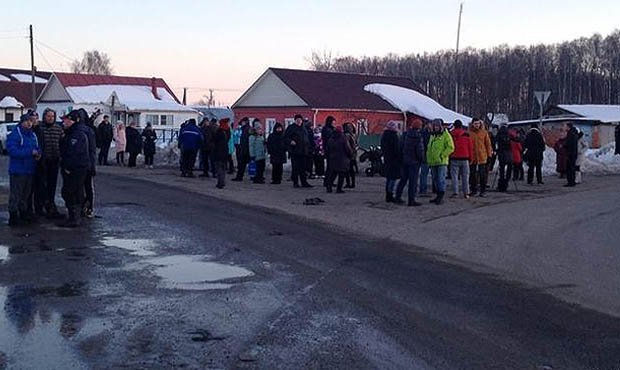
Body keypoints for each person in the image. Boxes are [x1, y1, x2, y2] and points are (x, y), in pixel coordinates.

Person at [6, 114, 40, 226]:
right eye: (27, 121)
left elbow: (37, 148)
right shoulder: (15, 135)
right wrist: (30, 153)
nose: (29, 123)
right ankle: (13, 215)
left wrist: (39, 154)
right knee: (16, 194)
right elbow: (12, 151)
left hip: (29, 169)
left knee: (26, 194)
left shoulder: (33, 135)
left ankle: (23, 213)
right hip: (18, 170)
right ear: (22, 122)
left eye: (31, 121)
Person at [59, 110, 90, 227]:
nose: (64, 122)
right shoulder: (71, 133)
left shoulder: (76, 134)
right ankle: (74, 216)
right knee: (73, 192)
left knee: (70, 192)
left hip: (75, 168)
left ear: (72, 120)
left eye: (66, 120)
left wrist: (68, 167)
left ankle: (74, 217)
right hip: (76, 167)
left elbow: (73, 153)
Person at [39, 108, 64, 218]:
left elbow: (63, 143)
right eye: (48, 116)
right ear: (44, 117)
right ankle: (43, 205)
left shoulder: (58, 129)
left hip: (55, 160)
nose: (50, 118)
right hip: (43, 161)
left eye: (52, 116)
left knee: (52, 185)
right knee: (42, 185)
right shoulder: (40, 128)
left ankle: (51, 205)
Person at [394, 118, 425, 206]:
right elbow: (420, 150)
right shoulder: (418, 137)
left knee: (403, 179)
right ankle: (411, 200)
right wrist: (422, 159)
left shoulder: (405, 135)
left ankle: (397, 196)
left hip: (405, 161)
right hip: (414, 162)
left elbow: (400, 147)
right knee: (413, 182)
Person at [426, 119, 454, 205]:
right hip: (433, 161)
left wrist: (442, 155)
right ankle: (437, 195)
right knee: (435, 179)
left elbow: (451, 147)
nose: (436, 127)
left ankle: (441, 196)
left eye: (437, 126)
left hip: (441, 162)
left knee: (441, 179)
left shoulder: (446, 135)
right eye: (434, 126)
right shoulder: (432, 136)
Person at [284, 114, 313, 188]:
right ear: (295, 120)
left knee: (303, 168)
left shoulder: (303, 128)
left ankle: (304, 182)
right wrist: (290, 141)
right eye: (297, 120)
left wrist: (308, 148)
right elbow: (285, 138)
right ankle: (295, 182)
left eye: (300, 120)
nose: (299, 121)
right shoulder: (291, 128)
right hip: (295, 151)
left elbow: (306, 138)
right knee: (295, 168)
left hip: (303, 151)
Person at [468, 118, 493, 197]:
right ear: (472, 124)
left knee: (482, 174)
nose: (477, 125)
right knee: (472, 174)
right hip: (472, 157)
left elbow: (488, 145)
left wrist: (489, 155)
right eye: (475, 124)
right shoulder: (469, 133)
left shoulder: (484, 133)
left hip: (482, 156)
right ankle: (473, 189)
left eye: (478, 124)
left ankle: (483, 190)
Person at [325, 126, 352, 193]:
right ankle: (339, 189)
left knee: (333, 174)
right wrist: (350, 155)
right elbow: (347, 149)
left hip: (333, 159)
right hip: (342, 159)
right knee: (341, 175)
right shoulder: (343, 139)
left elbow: (327, 149)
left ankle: (329, 187)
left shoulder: (331, 139)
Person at [449, 120, 472, 199]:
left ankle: (455, 192)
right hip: (465, 158)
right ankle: (466, 193)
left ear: (454, 126)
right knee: (465, 176)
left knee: (454, 176)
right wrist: (471, 158)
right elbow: (470, 147)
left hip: (454, 157)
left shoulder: (451, 134)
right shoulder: (466, 135)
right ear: (462, 126)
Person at [380, 121, 401, 203]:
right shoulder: (394, 136)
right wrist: (400, 158)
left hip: (387, 159)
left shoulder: (384, 136)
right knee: (393, 178)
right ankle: (390, 194)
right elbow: (397, 149)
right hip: (394, 160)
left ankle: (388, 195)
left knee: (389, 178)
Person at [212, 118, 231, 189]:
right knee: (223, 167)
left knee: (219, 167)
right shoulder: (228, 131)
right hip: (225, 151)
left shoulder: (219, 131)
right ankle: (222, 181)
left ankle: (220, 182)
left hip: (218, 151)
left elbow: (214, 140)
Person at [418, 121, 432, 197]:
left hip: (422, 156)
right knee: (424, 174)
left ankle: (422, 189)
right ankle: (423, 190)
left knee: (423, 174)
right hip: (427, 156)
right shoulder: (428, 134)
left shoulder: (420, 133)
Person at [321, 116, 336, 187]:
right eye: (333, 123)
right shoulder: (327, 130)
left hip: (330, 150)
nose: (334, 124)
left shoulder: (329, 129)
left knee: (331, 167)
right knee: (330, 167)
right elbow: (330, 139)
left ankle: (329, 181)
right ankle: (328, 182)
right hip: (329, 151)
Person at [343, 123, 358, 189]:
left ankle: (349, 183)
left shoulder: (347, 135)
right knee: (351, 170)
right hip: (353, 154)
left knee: (347, 170)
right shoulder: (353, 135)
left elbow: (347, 145)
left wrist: (349, 152)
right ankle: (352, 183)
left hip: (348, 154)